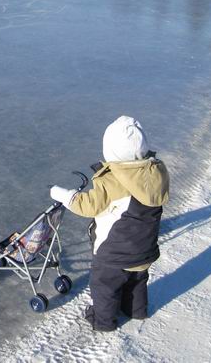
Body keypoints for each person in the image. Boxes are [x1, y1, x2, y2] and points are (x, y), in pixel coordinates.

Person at [50, 115, 169, 332]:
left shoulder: (112, 181)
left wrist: (63, 195)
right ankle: (136, 310)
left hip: (113, 253)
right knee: (136, 280)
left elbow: (88, 206)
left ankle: (102, 322)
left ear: (112, 151)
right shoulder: (154, 175)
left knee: (104, 287)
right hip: (144, 250)